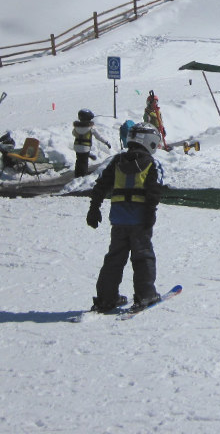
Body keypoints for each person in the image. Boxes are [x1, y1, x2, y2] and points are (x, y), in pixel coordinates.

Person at [86, 123, 167, 313]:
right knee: (143, 257)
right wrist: (150, 215)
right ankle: (145, 294)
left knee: (114, 259)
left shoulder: (117, 161)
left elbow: (100, 186)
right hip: (140, 221)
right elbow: (154, 192)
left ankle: (106, 298)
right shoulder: (151, 163)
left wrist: (94, 209)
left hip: (119, 220)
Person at [73, 109, 110, 178]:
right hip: (85, 147)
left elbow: (74, 133)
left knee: (79, 160)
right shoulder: (91, 127)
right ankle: (83, 175)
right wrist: (106, 142)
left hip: (77, 146)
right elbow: (99, 136)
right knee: (84, 162)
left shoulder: (76, 126)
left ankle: (77, 174)